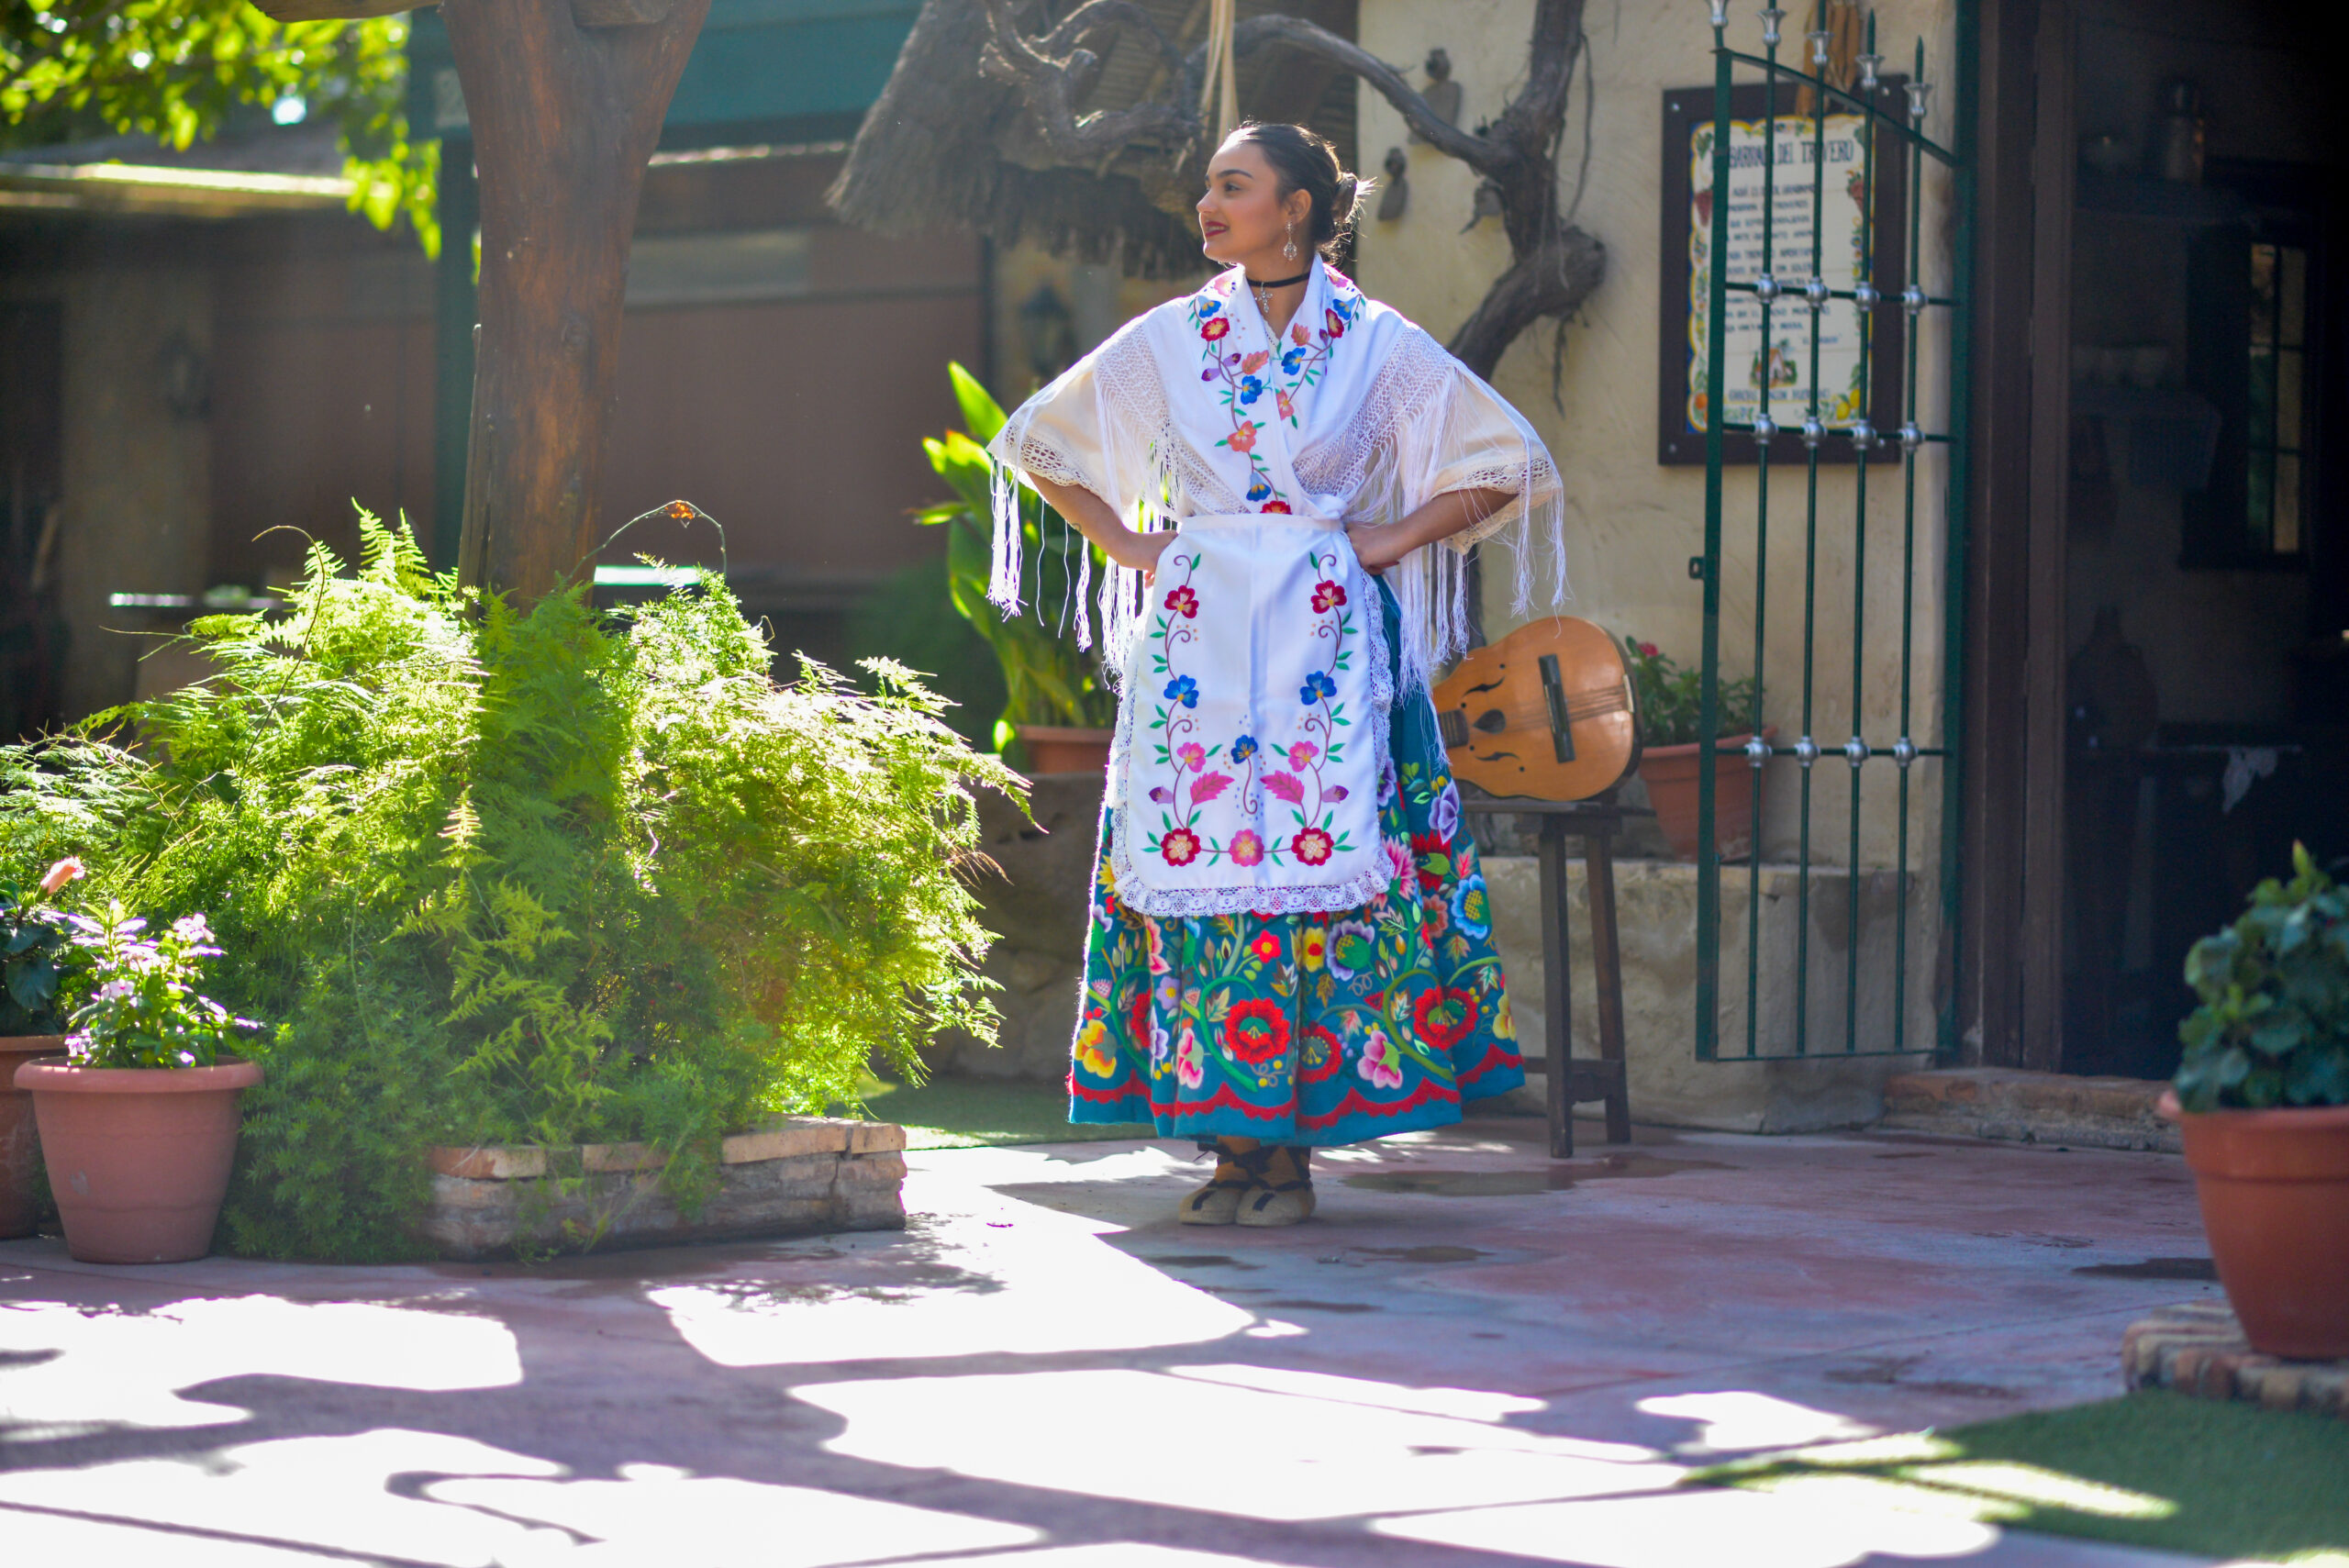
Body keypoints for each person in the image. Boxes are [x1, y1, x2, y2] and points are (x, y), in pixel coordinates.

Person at [986, 121, 1567, 1226]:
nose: (1207, 206)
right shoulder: (1169, 338)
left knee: (1315, 876)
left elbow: (1506, 461)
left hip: (1330, 642)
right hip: (1197, 639)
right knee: (1195, 871)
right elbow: (1039, 440)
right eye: (1207, 187)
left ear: (1294, 206)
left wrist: (1391, 538)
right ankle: (1226, 1148)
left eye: (1232, 186)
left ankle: (1288, 1151)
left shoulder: (1374, 342)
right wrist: (1125, 541)